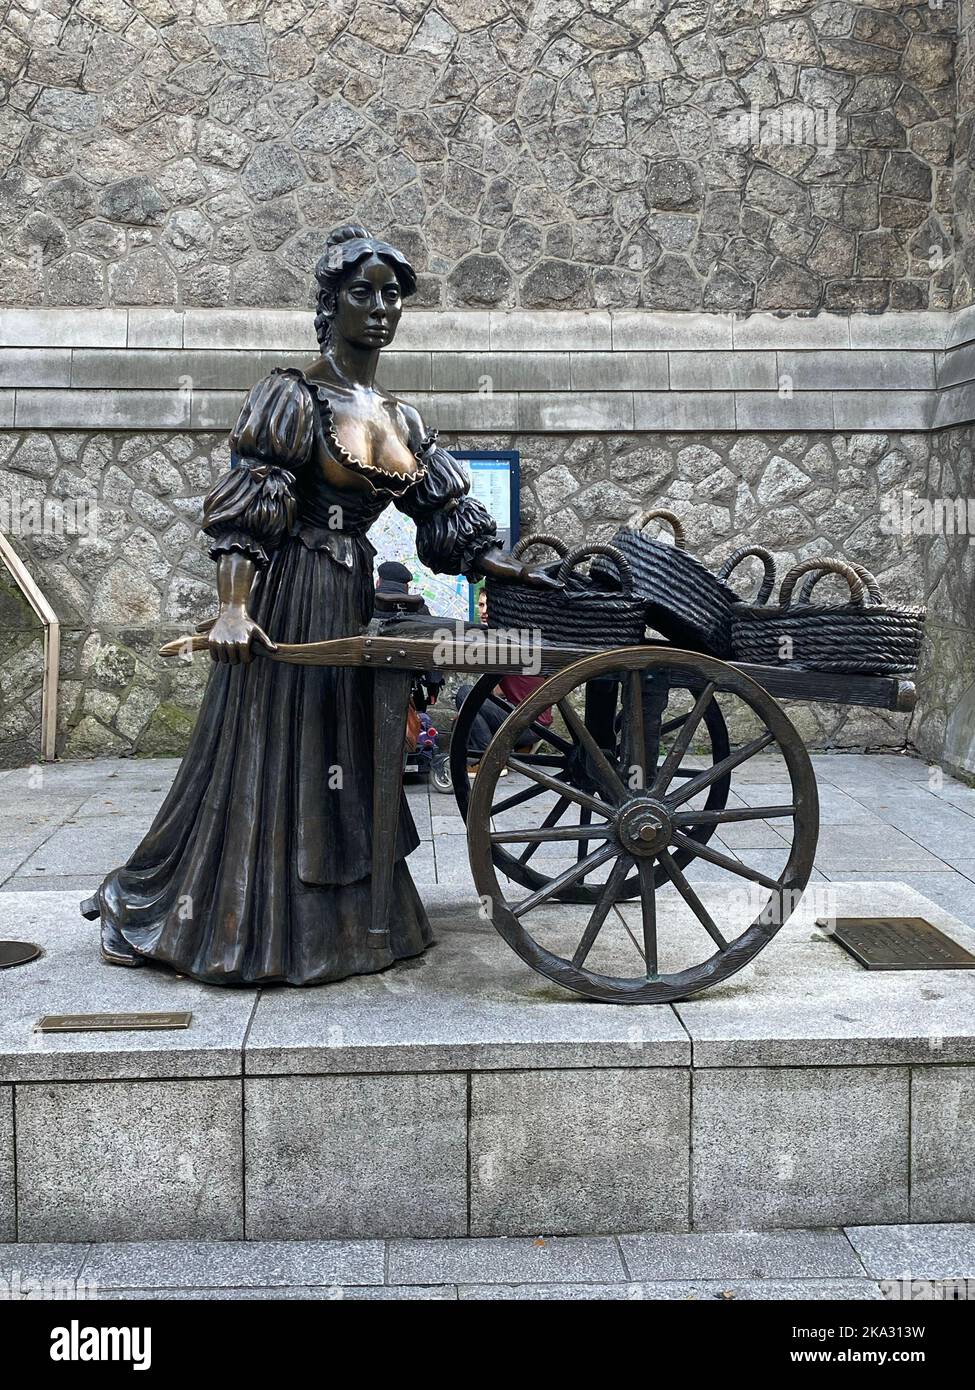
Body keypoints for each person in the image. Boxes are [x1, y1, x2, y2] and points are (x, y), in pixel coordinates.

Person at [82, 224, 555, 986]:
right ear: (329, 305)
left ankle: (352, 922)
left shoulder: (397, 418)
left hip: (351, 591)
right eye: (361, 293)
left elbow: (442, 516)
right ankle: (251, 925)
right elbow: (247, 510)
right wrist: (232, 607)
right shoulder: (291, 396)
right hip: (291, 592)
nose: (379, 308)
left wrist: (495, 562)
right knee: (280, 748)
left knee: (345, 749)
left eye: (391, 296)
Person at [455, 585, 553, 772]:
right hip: (537, 721)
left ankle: (485, 759)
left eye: (488, 606)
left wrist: (468, 710)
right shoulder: (520, 635)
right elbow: (498, 690)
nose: (483, 611)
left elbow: (480, 695)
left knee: (465, 694)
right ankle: (520, 748)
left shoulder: (502, 639)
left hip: (528, 723)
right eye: (481, 605)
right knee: (473, 705)